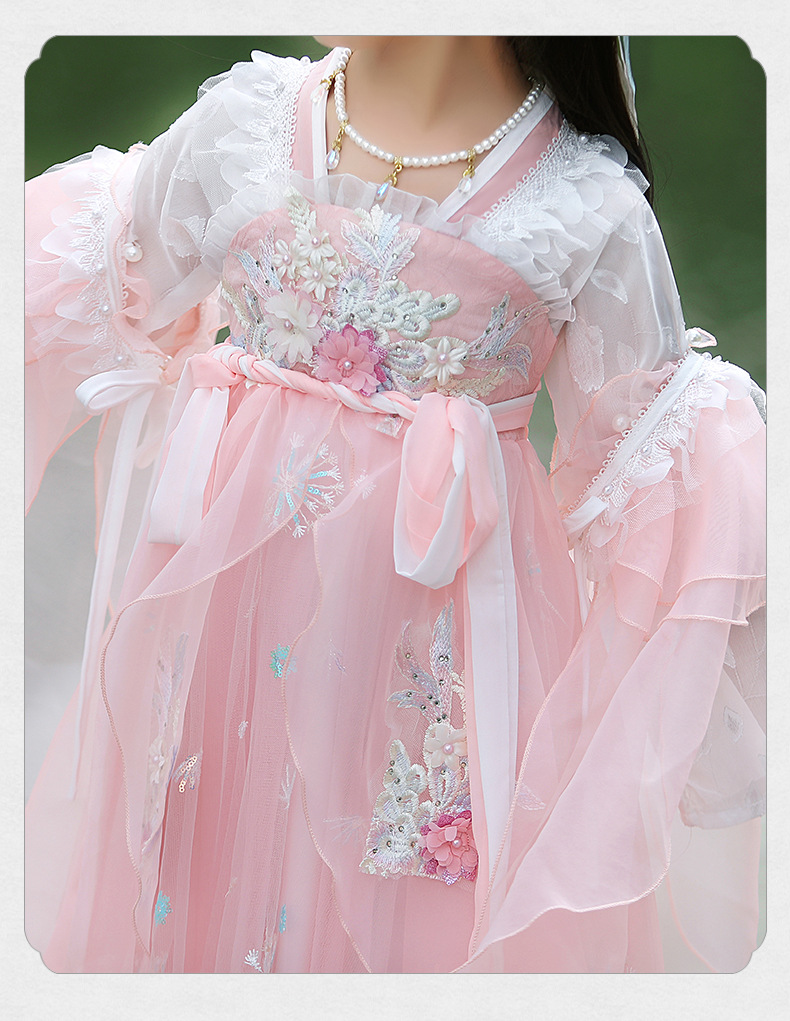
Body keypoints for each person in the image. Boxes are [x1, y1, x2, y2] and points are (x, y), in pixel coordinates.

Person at [24, 36, 766, 973]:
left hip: (436, 666)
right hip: (228, 645)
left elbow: (650, 490)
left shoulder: (581, 208)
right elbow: (81, 279)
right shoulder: (247, 128)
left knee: (408, 922)